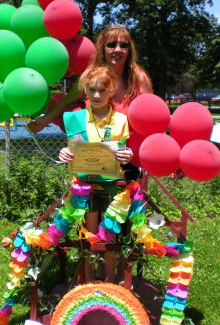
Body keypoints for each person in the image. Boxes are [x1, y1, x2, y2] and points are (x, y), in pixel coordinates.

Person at [58, 66, 133, 283]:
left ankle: (109, 281)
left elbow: (123, 150)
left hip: (113, 186)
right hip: (84, 188)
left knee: (109, 236)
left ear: (111, 91)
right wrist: (64, 153)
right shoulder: (74, 118)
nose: (97, 95)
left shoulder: (120, 120)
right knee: (89, 237)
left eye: (102, 90)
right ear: (85, 91)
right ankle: (89, 282)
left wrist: (127, 155)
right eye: (92, 90)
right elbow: (71, 150)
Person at [27, 26, 153, 134]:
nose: (118, 49)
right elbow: (64, 103)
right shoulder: (90, 76)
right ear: (102, 49)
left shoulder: (139, 78)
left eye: (123, 45)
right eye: (111, 45)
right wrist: (44, 121)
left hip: (128, 152)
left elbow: (152, 114)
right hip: (94, 151)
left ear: (129, 50)